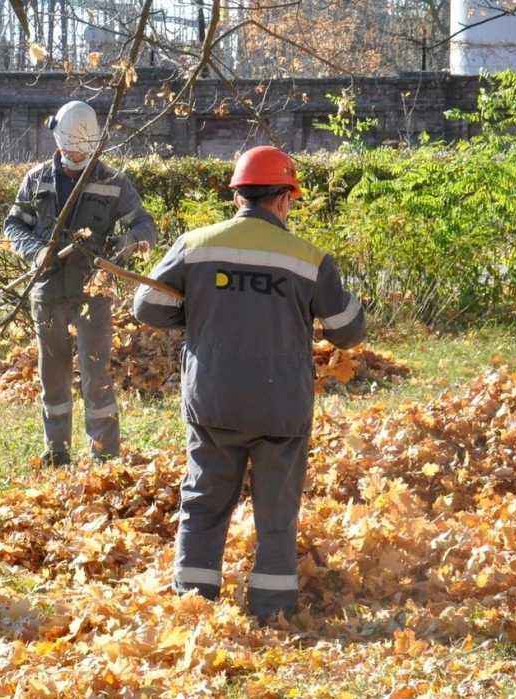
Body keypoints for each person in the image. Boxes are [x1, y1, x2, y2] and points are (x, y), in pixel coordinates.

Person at [132, 146, 366, 623]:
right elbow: (347, 331)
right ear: (283, 199)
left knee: (203, 505)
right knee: (276, 515)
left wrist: (201, 312)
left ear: (238, 195)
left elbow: (148, 307)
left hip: (213, 399)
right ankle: (272, 615)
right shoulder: (310, 260)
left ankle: (193, 609)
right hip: (281, 407)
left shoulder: (197, 245)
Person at [5, 100, 158, 465]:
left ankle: (105, 457)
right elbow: (13, 226)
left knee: (96, 378)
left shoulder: (113, 181)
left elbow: (144, 226)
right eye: (67, 146)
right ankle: (57, 453)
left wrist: (125, 246)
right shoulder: (36, 179)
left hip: (93, 296)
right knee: (54, 380)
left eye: (79, 149)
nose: (72, 154)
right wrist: (35, 252)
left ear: (93, 144)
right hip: (47, 295)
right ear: (57, 138)